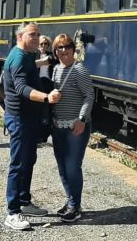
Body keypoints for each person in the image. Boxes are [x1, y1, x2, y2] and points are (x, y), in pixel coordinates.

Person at [2, 22, 61, 231]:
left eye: (38, 34)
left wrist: (42, 62)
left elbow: (29, 67)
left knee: (29, 160)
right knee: (18, 164)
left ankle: (24, 202)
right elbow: (21, 88)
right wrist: (46, 97)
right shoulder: (18, 58)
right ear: (21, 36)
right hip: (19, 118)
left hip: (29, 117)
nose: (37, 38)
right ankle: (12, 212)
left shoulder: (26, 55)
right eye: (32, 35)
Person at [50, 34, 95, 223]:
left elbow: (89, 96)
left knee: (72, 166)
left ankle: (75, 206)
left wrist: (82, 119)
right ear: (55, 51)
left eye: (67, 46)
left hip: (75, 127)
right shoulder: (55, 70)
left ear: (73, 49)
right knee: (62, 167)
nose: (64, 50)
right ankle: (71, 201)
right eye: (59, 47)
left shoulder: (79, 70)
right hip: (58, 126)